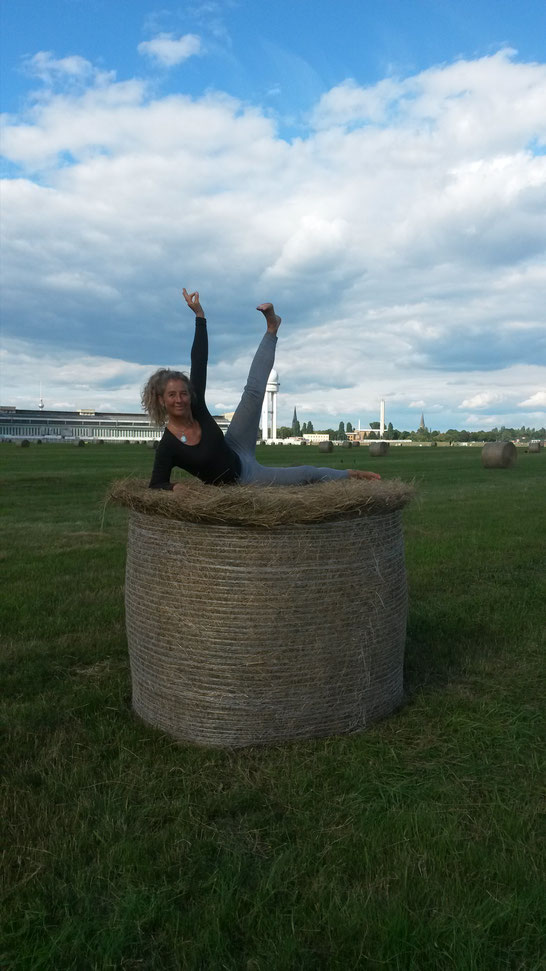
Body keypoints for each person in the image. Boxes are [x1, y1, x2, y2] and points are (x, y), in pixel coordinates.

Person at [142, 289, 381, 490]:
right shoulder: (169, 446)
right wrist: (173, 488)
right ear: (161, 400)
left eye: (183, 393)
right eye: (172, 395)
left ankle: (272, 328)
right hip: (245, 478)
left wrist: (200, 316)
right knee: (306, 473)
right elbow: (156, 484)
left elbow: (199, 362)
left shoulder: (197, 408)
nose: (180, 399)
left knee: (254, 391)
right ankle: (350, 474)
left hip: (235, 445)